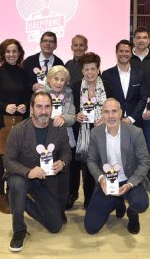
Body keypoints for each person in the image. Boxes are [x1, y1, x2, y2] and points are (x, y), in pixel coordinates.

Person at [3, 91, 71, 252]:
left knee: (55, 226)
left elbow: (66, 152)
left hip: (46, 181)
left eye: (47, 107)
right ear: (32, 108)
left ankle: (20, 201)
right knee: (18, 185)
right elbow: (8, 161)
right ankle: (19, 230)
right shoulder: (18, 130)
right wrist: (28, 172)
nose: (44, 111)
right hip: (22, 177)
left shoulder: (58, 128)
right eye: (39, 107)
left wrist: (62, 162)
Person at [84, 98, 150, 234]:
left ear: (121, 113)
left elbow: (145, 161)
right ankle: (117, 201)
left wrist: (130, 184)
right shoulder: (96, 133)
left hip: (129, 178)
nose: (111, 116)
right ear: (102, 114)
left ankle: (132, 214)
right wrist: (102, 179)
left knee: (141, 204)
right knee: (91, 227)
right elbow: (91, 160)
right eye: (106, 112)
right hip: (107, 182)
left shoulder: (135, 132)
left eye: (114, 111)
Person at [0, 39, 31, 213]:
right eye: (7, 51)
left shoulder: (23, 73)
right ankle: (1, 196)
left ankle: (13, 192)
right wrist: (4, 106)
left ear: (19, 54)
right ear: (2, 54)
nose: (11, 54)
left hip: (19, 123)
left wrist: (25, 104)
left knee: (16, 159)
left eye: (14, 51)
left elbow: (28, 94)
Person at [72, 52, 114, 208]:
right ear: (82, 71)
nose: (89, 73)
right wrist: (76, 115)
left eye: (92, 69)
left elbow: (115, 109)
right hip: (81, 132)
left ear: (98, 69)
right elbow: (70, 109)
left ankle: (101, 199)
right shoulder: (75, 87)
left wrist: (106, 117)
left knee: (100, 165)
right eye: (86, 69)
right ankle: (87, 199)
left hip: (102, 132)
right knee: (85, 167)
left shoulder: (108, 87)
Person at [130, 26, 150, 195]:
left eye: (144, 37)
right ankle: (134, 181)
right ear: (134, 40)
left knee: (149, 148)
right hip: (133, 114)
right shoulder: (128, 59)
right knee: (132, 148)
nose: (141, 40)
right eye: (138, 37)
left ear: (149, 40)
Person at [43, 65, 76, 222]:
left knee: (63, 176)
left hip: (64, 138)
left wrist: (64, 118)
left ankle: (61, 209)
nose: (59, 82)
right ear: (49, 79)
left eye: (62, 80)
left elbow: (73, 116)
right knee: (48, 176)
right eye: (56, 79)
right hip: (45, 139)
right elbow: (34, 115)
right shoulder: (40, 93)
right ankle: (48, 207)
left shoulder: (69, 94)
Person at [64, 34, 88, 209]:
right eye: (75, 45)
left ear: (85, 47)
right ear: (71, 47)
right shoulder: (67, 66)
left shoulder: (90, 65)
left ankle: (89, 195)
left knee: (87, 161)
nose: (78, 48)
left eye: (81, 45)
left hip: (88, 120)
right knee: (72, 161)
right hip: (72, 120)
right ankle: (72, 193)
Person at [102, 39, 148, 128]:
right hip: (113, 121)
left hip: (135, 122)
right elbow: (105, 99)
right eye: (121, 51)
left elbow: (143, 98)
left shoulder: (140, 74)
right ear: (116, 53)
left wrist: (131, 118)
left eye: (127, 51)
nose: (124, 54)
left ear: (131, 54)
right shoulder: (107, 74)